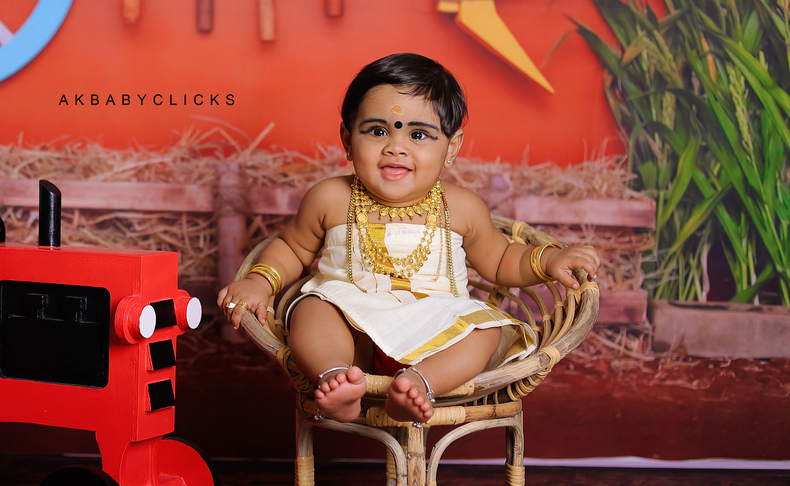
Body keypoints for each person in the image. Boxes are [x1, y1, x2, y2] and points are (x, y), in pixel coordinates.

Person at [218, 53, 601, 424]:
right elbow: (292, 248)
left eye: (418, 134)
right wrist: (260, 281)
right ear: (347, 138)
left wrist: (549, 260)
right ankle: (335, 380)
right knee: (312, 307)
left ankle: (419, 385)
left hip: (437, 330)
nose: (395, 147)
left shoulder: (462, 207)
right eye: (377, 131)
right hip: (354, 333)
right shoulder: (330, 198)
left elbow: (501, 260)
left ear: (451, 147)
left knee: (487, 329)